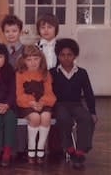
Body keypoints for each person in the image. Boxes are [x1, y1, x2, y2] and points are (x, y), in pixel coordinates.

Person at [50, 38, 97, 169]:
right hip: (59, 104)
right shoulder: (53, 73)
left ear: (75, 55)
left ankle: (80, 151)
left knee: (87, 119)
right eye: (62, 55)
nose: (66, 58)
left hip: (76, 104)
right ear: (58, 56)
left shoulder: (81, 73)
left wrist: (92, 111)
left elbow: (88, 93)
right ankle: (69, 148)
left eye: (69, 54)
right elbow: (48, 93)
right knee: (63, 119)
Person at [16, 45, 57, 164]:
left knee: (45, 117)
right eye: (29, 60)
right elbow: (19, 94)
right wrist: (31, 102)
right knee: (34, 117)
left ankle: (40, 148)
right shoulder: (20, 73)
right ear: (23, 60)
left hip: (44, 102)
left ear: (41, 59)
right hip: (27, 104)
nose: (33, 62)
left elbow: (49, 93)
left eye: (36, 59)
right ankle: (31, 148)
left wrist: (42, 102)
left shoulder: (45, 74)